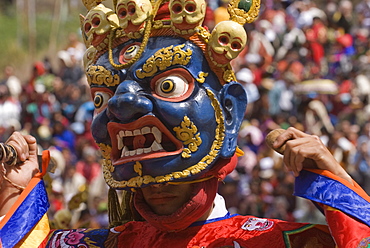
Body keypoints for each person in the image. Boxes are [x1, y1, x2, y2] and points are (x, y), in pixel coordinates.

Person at [0, 0, 369, 247]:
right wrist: (15, 192)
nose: (124, 106)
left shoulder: (280, 241)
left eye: (167, 85)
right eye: (102, 96)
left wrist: (337, 186)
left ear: (229, 112)